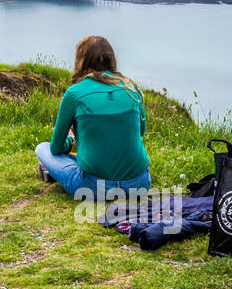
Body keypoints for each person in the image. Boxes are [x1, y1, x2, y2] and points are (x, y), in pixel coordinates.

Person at [35, 35, 151, 200]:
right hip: (139, 184)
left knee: (42, 149)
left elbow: (56, 148)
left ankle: (54, 171)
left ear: (81, 60)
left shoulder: (74, 93)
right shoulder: (132, 88)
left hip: (92, 188)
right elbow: (140, 131)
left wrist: (71, 140)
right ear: (111, 59)